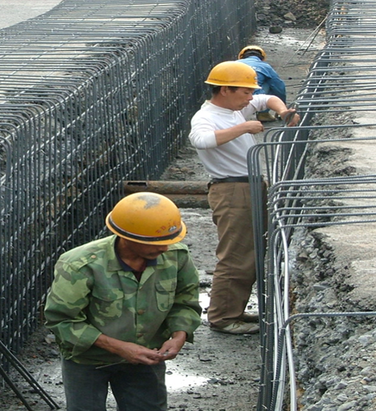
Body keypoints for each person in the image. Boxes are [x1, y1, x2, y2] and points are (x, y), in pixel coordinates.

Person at [44, 192, 202, 411]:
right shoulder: (80, 265)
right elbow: (62, 321)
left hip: (145, 357)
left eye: (169, 241)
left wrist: (179, 335)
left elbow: (185, 301)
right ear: (128, 238)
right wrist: (120, 348)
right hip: (88, 360)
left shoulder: (176, 257)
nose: (165, 248)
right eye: (156, 242)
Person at [188, 61, 299, 335]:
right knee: (237, 255)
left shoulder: (237, 108)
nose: (250, 98)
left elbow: (267, 99)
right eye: (245, 92)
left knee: (250, 253)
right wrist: (244, 128)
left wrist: (283, 111)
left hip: (248, 186)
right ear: (225, 90)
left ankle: (233, 310)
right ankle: (223, 317)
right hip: (232, 191)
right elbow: (200, 140)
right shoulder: (206, 117)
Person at [237, 45, 287, 122]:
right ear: (262, 58)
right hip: (253, 99)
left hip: (229, 99)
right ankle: (263, 114)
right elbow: (280, 88)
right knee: (270, 82)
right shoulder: (265, 66)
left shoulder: (233, 64)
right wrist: (281, 108)